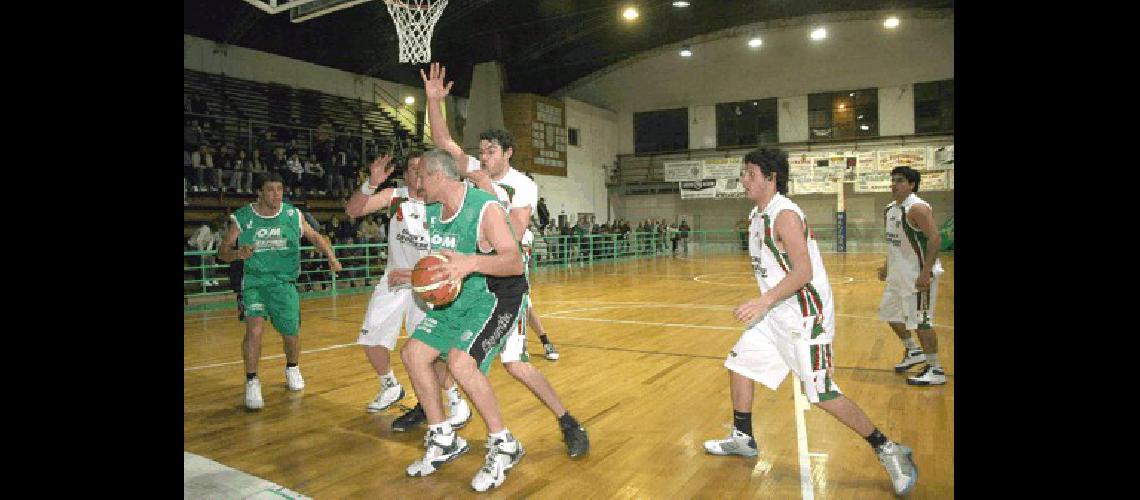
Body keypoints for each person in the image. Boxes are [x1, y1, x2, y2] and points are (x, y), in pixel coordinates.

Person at [702, 147, 918, 497]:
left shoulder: (784, 215)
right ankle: (743, 437)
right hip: (775, 314)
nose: (743, 179)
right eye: (744, 173)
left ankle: (889, 449)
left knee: (820, 393)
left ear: (771, 178)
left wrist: (763, 300)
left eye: (750, 173)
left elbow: (804, 272)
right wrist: (767, 304)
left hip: (806, 316)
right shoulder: (758, 215)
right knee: (739, 363)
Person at [421, 62, 588, 457]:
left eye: (490, 151)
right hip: (468, 277)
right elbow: (444, 142)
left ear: (507, 154)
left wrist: (487, 189)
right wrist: (433, 103)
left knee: (514, 363)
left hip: (503, 281)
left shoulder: (523, 184)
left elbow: (510, 238)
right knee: (436, 348)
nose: (483, 157)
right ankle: (439, 413)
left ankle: (568, 421)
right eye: (481, 152)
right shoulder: (477, 172)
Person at [398, 149, 525, 491]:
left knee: (460, 362)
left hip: (495, 297)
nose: (417, 182)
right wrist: (422, 276)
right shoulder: (435, 210)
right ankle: (443, 438)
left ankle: (504, 443)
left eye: (421, 176)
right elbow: (443, 258)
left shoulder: (484, 208)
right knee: (413, 354)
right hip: (458, 297)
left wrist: (470, 263)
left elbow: (514, 262)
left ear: (438, 177)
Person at [343, 153, 472, 426]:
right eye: (413, 168)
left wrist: (422, 276)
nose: (418, 173)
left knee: (429, 350)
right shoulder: (395, 196)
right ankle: (390, 385)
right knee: (371, 338)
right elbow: (353, 211)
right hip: (394, 281)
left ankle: (453, 400)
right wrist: (371, 184)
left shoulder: (442, 202)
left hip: (429, 285)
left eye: (422, 169)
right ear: (406, 174)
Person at [218, 172, 342, 410]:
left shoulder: (293, 215)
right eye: (270, 189)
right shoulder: (243, 217)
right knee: (254, 331)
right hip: (254, 282)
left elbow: (316, 237)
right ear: (260, 192)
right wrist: (236, 254)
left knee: (291, 334)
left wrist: (331, 257)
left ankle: (292, 367)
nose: (276, 194)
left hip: (284, 284)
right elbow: (222, 252)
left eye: (279, 189)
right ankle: (252, 381)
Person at [878, 166, 945, 385]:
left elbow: (935, 240)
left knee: (921, 322)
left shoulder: (917, 208)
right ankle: (913, 351)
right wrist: (887, 266)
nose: (894, 185)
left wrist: (926, 273)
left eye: (900, 181)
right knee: (890, 315)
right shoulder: (890, 209)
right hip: (898, 276)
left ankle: (936, 369)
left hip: (919, 276)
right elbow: (894, 243)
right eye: (893, 180)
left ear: (912, 185)